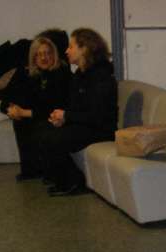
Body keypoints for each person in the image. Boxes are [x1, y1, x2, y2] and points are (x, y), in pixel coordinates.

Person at [40, 28, 117, 196]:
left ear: (84, 49)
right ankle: (62, 177)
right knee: (44, 130)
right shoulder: (80, 75)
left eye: (71, 47)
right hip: (85, 124)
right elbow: (76, 107)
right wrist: (62, 118)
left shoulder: (101, 76)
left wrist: (67, 116)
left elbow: (97, 115)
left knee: (55, 138)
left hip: (101, 129)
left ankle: (74, 182)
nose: (66, 51)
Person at [0, 35, 69, 181]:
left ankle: (46, 170)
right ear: (33, 57)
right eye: (39, 54)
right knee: (19, 121)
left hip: (53, 117)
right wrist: (11, 110)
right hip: (33, 115)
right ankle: (30, 171)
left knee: (39, 124)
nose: (44, 58)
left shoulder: (61, 72)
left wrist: (24, 112)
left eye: (48, 53)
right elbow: (6, 99)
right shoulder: (24, 72)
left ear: (54, 55)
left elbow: (54, 106)